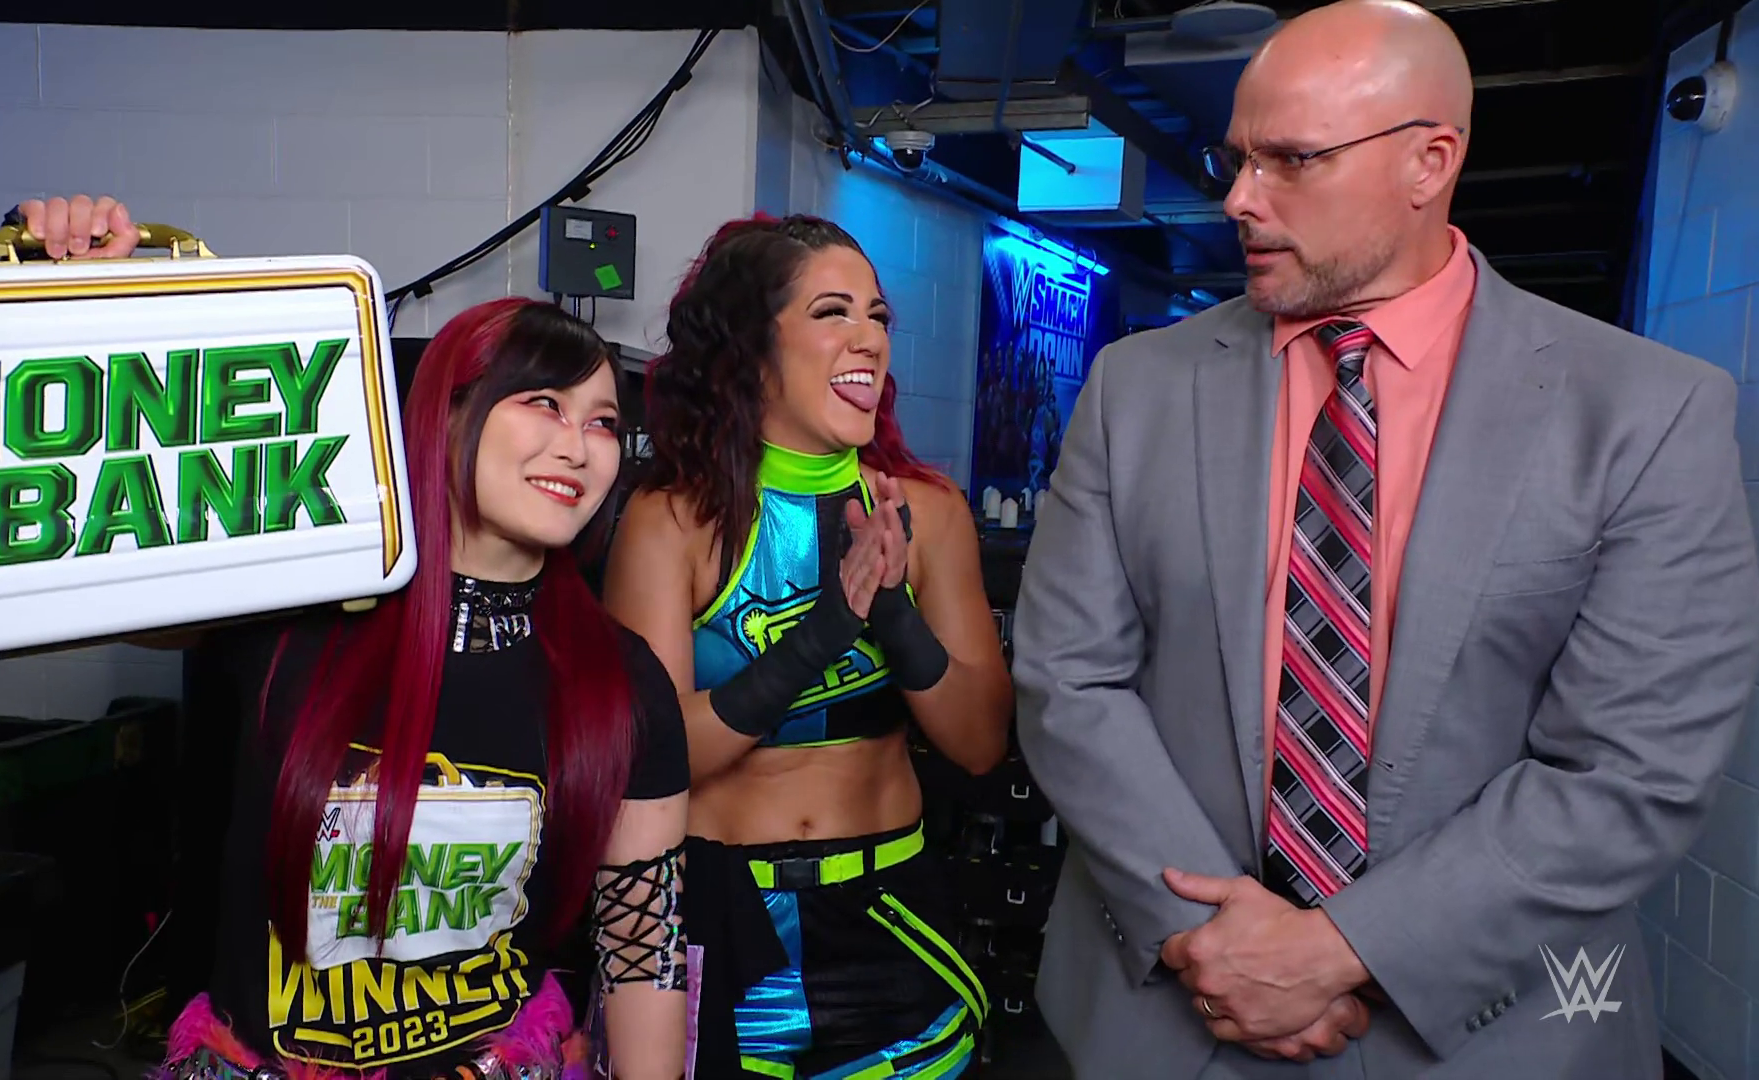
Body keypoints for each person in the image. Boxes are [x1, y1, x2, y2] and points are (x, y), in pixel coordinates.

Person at [1011, 2, 1759, 1078]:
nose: (1240, 199)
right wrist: (1217, 947)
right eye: (1235, 160)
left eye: (1292, 159)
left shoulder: (1646, 412)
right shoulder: (1136, 388)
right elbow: (1068, 679)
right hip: (1173, 1015)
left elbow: (1630, 766)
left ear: (1429, 162)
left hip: (1498, 1038)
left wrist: (1339, 950)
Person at [11, 197, 693, 1080]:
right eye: (543, 404)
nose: (581, 446)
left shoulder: (621, 681)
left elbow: (642, 956)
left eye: (602, 421)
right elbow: (58, 579)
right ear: (444, 414)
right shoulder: (293, 608)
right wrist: (73, 303)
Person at [601, 215, 1012, 1079]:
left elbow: (979, 743)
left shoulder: (927, 513)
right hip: (726, 921)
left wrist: (893, 615)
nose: (868, 337)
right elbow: (648, 758)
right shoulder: (673, 520)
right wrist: (821, 637)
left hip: (891, 919)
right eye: (833, 312)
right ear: (752, 348)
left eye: (878, 315)